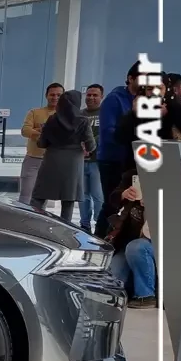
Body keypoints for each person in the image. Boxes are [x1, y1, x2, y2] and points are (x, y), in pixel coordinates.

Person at [30, 89, 93, 224]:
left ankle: (32, 224)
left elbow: (42, 143)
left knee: (39, 196)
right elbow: (91, 146)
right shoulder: (83, 121)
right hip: (73, 164)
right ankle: (64, 229)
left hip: (51, 161)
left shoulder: (52, 119)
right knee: (68, 200)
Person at [94, 61, 140, 235]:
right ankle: (100, 238)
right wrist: (131, 138)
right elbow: (108, 133)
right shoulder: (114, 99)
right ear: (131, 78)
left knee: (129, 202)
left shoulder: (143, 100)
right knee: (112, 202)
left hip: (132, 159)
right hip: (112, 160)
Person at [105, 171, 155, 309]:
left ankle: (146, 296)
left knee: (136, 247)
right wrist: (124, 194)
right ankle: (131, 290)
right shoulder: (132, 175)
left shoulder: (177, 178)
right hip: (128, 241)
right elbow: (112, 199)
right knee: (112, 283)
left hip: (155, 243)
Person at [19, 82, 64, 204]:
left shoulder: (66, 116)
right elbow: (25, 130)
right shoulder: (34, 112)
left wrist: (40, 130)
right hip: (33, 159)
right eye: (52, 94)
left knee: (43, 197)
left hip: (54, 160)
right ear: (46, 95)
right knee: (26, 195)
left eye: (59, 95)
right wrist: (47, 133)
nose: (55, 97)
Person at [79, 84, 104, 233]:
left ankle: (100, 226)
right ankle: (84, 225)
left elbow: (106, 133)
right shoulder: (80, 114)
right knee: (82, 196)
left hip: (97, 162)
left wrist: (90, 145)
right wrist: (81, 146)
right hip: (80, 161)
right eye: (89, 95)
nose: (91, 98)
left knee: (98, 196)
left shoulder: (104, 113)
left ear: (101, 97)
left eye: (95, 95)